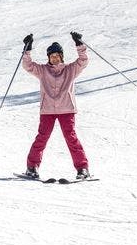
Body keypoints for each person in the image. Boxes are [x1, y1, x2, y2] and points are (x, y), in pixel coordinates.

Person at [21, 32, 91, 179]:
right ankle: (32, 167)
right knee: (42, 138)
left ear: (61, 56)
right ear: (49, 58)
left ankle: (82, 169)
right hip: (47, 111)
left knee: (71, 138)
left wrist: (79, 44)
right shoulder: (42, 70)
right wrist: (27, 49)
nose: (54, 58)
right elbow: (27, 66)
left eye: (56, 56)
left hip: (66, 109)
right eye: (51, 56)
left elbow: (83, 61)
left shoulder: (70, 69)